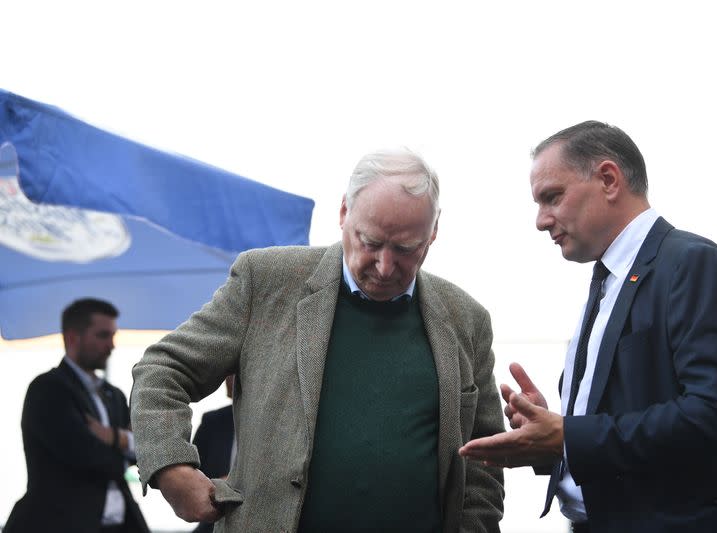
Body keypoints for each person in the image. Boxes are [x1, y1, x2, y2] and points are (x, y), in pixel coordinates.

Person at [130, 148, 505, 532]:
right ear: (344, 212)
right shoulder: (267, 281)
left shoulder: (466, 320)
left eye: (406, 249)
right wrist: (170, 464)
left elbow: (485, 463)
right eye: (370, 242)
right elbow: (163, 371)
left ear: (434, 231)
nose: (385, 265)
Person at [460, 121, 717, 532]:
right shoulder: (608, 280)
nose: (540, 220)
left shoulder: (693, 263)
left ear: (608, 179)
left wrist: (569, 436)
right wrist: (549, 439)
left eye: (552, 197)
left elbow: (716, 416)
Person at [5, 298, 149, 533]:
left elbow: (145, 448)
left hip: (118, 523)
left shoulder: (114, 395)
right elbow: (84, 454)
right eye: (103, 335)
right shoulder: (47, 389)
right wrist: (126, 446)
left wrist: (114, 438)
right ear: (73, 337)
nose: (111, 345)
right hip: (58, 522)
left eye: (113, 336)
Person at [191, 375, 235, 533]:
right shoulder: (213, 421)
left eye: (236, 373)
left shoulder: (275, 426)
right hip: (216, 519)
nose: (228, 380)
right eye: (228, 374)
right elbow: (194, 470)